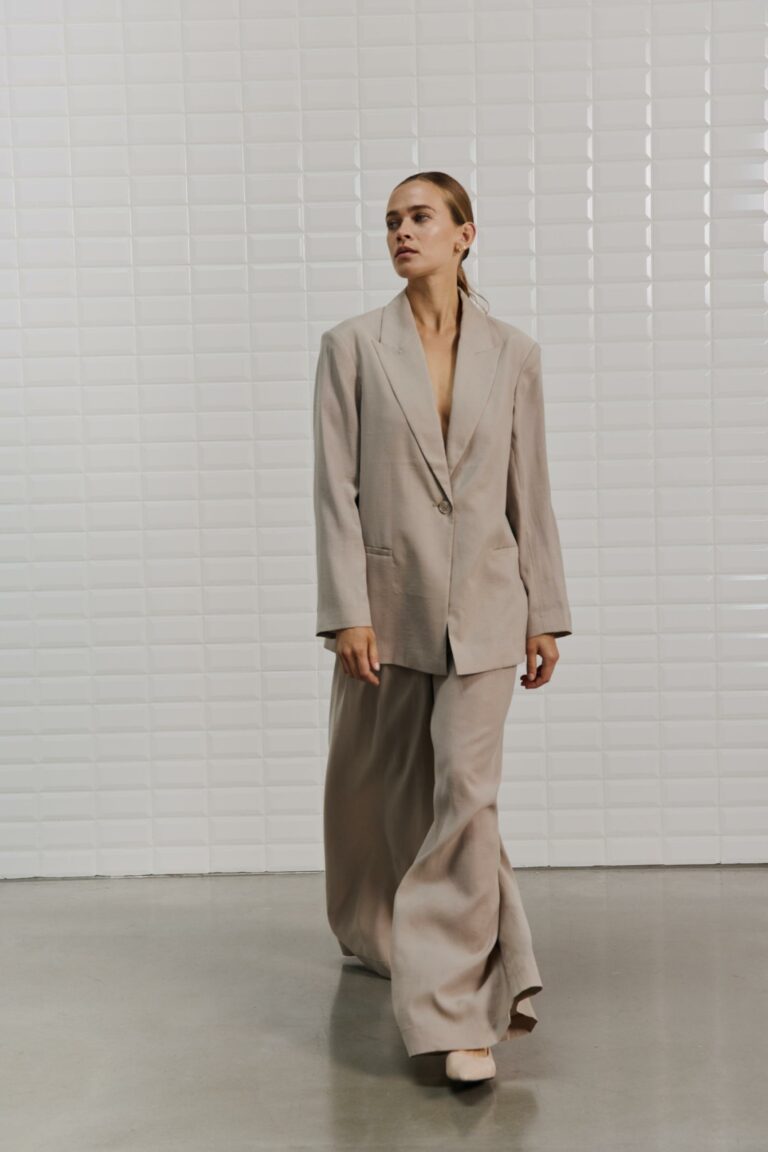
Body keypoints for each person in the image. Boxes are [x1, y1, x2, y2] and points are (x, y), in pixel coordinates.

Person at [312, 171, 573, 1083]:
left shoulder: (515, 354)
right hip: (389, 611)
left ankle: (456, 1014)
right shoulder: (351, 347)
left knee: (465, 796)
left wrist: (545, 611)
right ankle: (379, 932)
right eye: (392, 221)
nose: (402, 231)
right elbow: (335, 491)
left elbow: (528, 489)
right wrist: (347, 611)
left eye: (420, 217)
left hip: (491, 608)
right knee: (387, 796)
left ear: (466, 234)